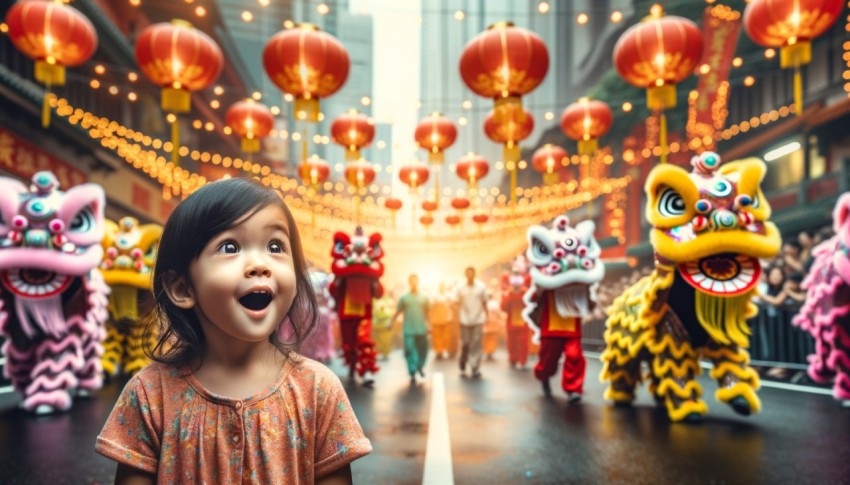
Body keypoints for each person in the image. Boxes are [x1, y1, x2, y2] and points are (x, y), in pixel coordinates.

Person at [95, 178, 371, 484]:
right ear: (182, 288)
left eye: (275, 246)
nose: (260, 264)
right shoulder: (149, 395)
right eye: (230, 247)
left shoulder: (319, 390)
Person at [392, 274, 430, 385]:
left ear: (418, 282)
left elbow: (428, 313)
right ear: (409, 283)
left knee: (423, 350)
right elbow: (398, 311)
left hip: (421, 329)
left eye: (415, 281)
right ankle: (412, 371)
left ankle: (420, 366)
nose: (414, 283)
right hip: (408, 329)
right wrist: (391, 322)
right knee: (409, 350)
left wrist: (430, 326)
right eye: (411, 281)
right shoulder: (404, 298)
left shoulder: (424, 297)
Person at [455, 267, 488, 378]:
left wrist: (486, 315)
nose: (470, 275)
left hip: (478, 319)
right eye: (468, 273)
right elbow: (456, 303)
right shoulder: (460, 287)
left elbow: (484, 302)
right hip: (464, 320)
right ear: (465, 275)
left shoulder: (481, 287)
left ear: (474, 274)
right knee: (466, 343)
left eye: (471, 273)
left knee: (476, 343)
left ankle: (475, 367)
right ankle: (463, 361)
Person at [429, 282, 455, 359]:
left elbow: (453, 304)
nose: (442, 288)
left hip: (446, 319)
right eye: (441, 286)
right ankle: (439, 352)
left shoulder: (449, 295)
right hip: (436, 319)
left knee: (446, 336)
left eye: (443, 286)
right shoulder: (434, 295)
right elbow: (431, 306)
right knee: (437, 337)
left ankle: (445, 350)